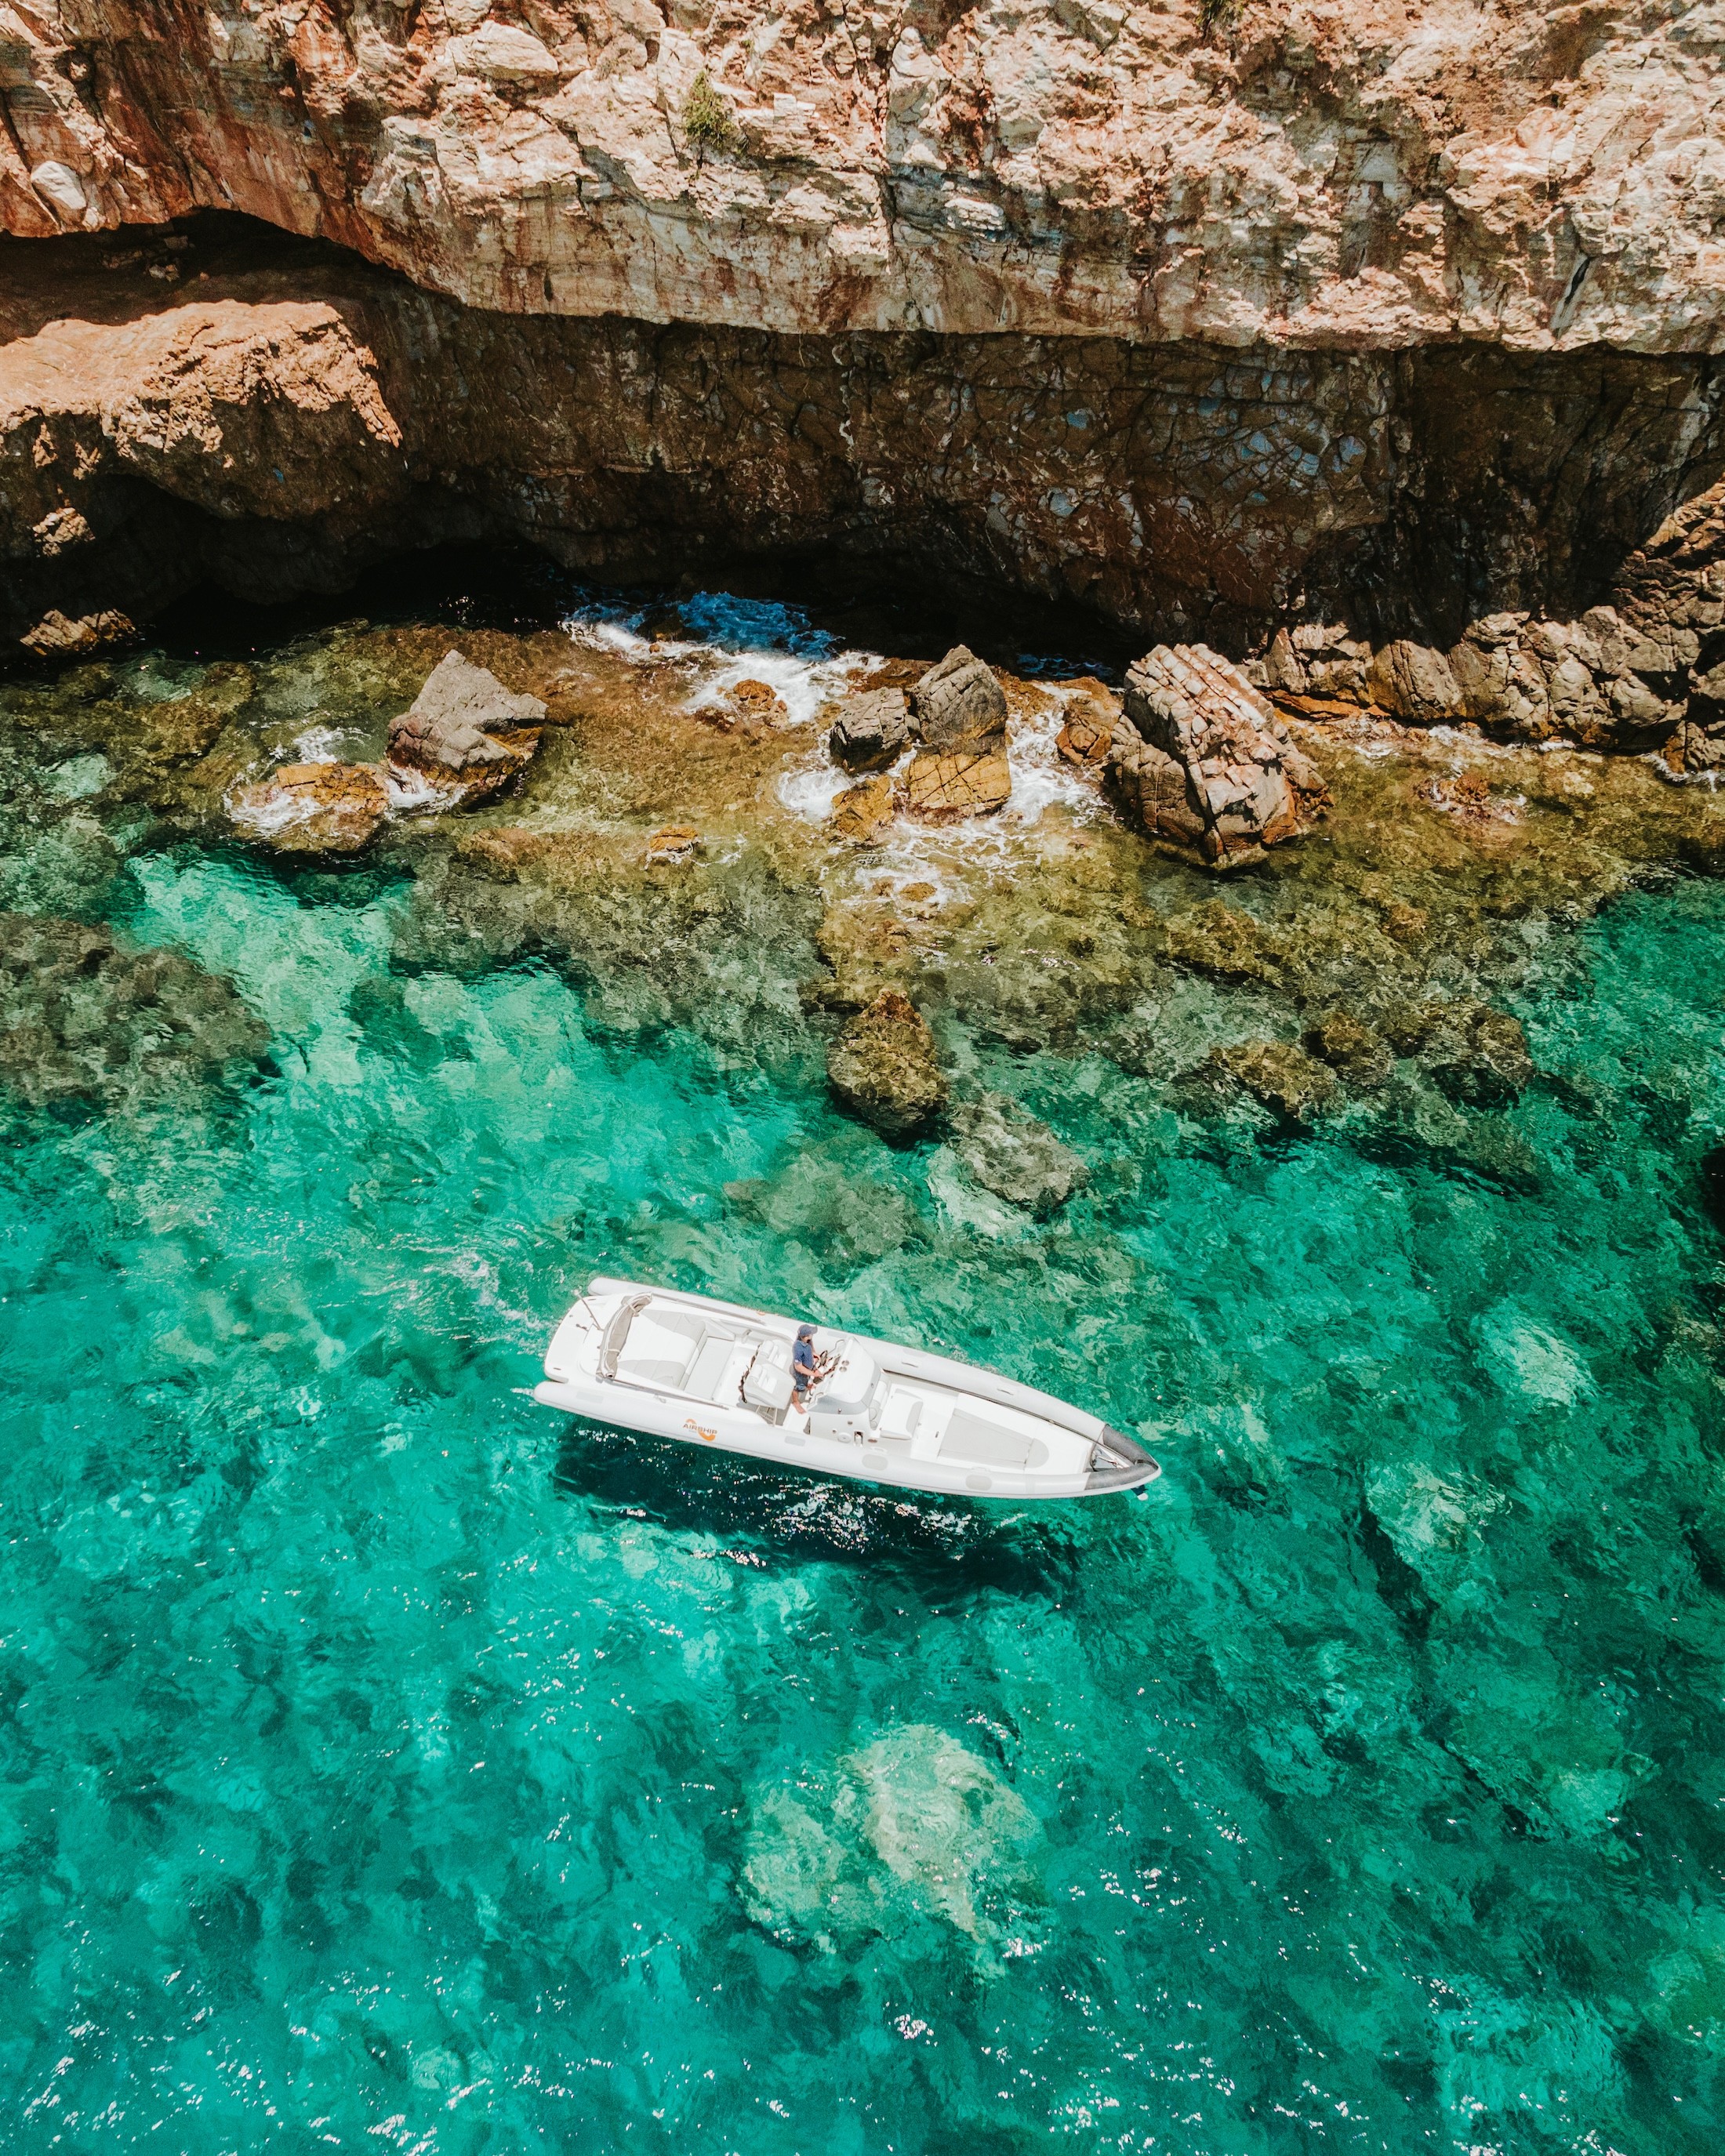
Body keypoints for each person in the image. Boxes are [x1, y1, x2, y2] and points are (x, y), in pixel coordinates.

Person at [791, 1324, 830, 1410]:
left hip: (808, 1367)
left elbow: (810, 1349)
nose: (813, 1334)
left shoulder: (807, 1341)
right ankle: (795, 1402)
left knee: (806, 1382)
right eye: (811, 1333)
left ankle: (808, 1386)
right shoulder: (797, 1348)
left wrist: (814, 1354)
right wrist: (814, 1374)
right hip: (800, 1373)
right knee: (798, 1387)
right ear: (807, 1335)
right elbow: (798, 1367)